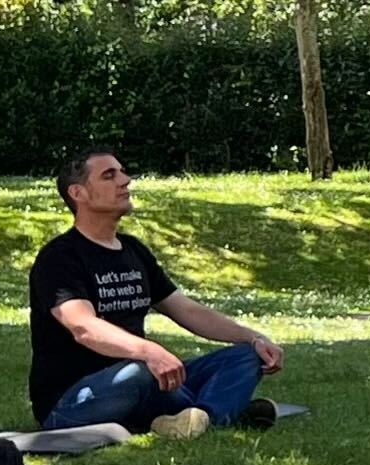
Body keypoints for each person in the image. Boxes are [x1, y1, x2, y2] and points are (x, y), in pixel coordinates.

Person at [27, 148, 283, 438]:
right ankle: (221, 411)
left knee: (245, 357)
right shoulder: (60, 258)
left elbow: (186, 310)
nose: (125, 181)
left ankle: (200, 419)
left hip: (142, 377)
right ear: (78, 193)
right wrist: (149, 351)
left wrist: (254, 338)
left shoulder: (133, 251)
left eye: (123, 172)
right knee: (141, 372)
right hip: (74, 400)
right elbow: (83, 326)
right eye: (109, 175)